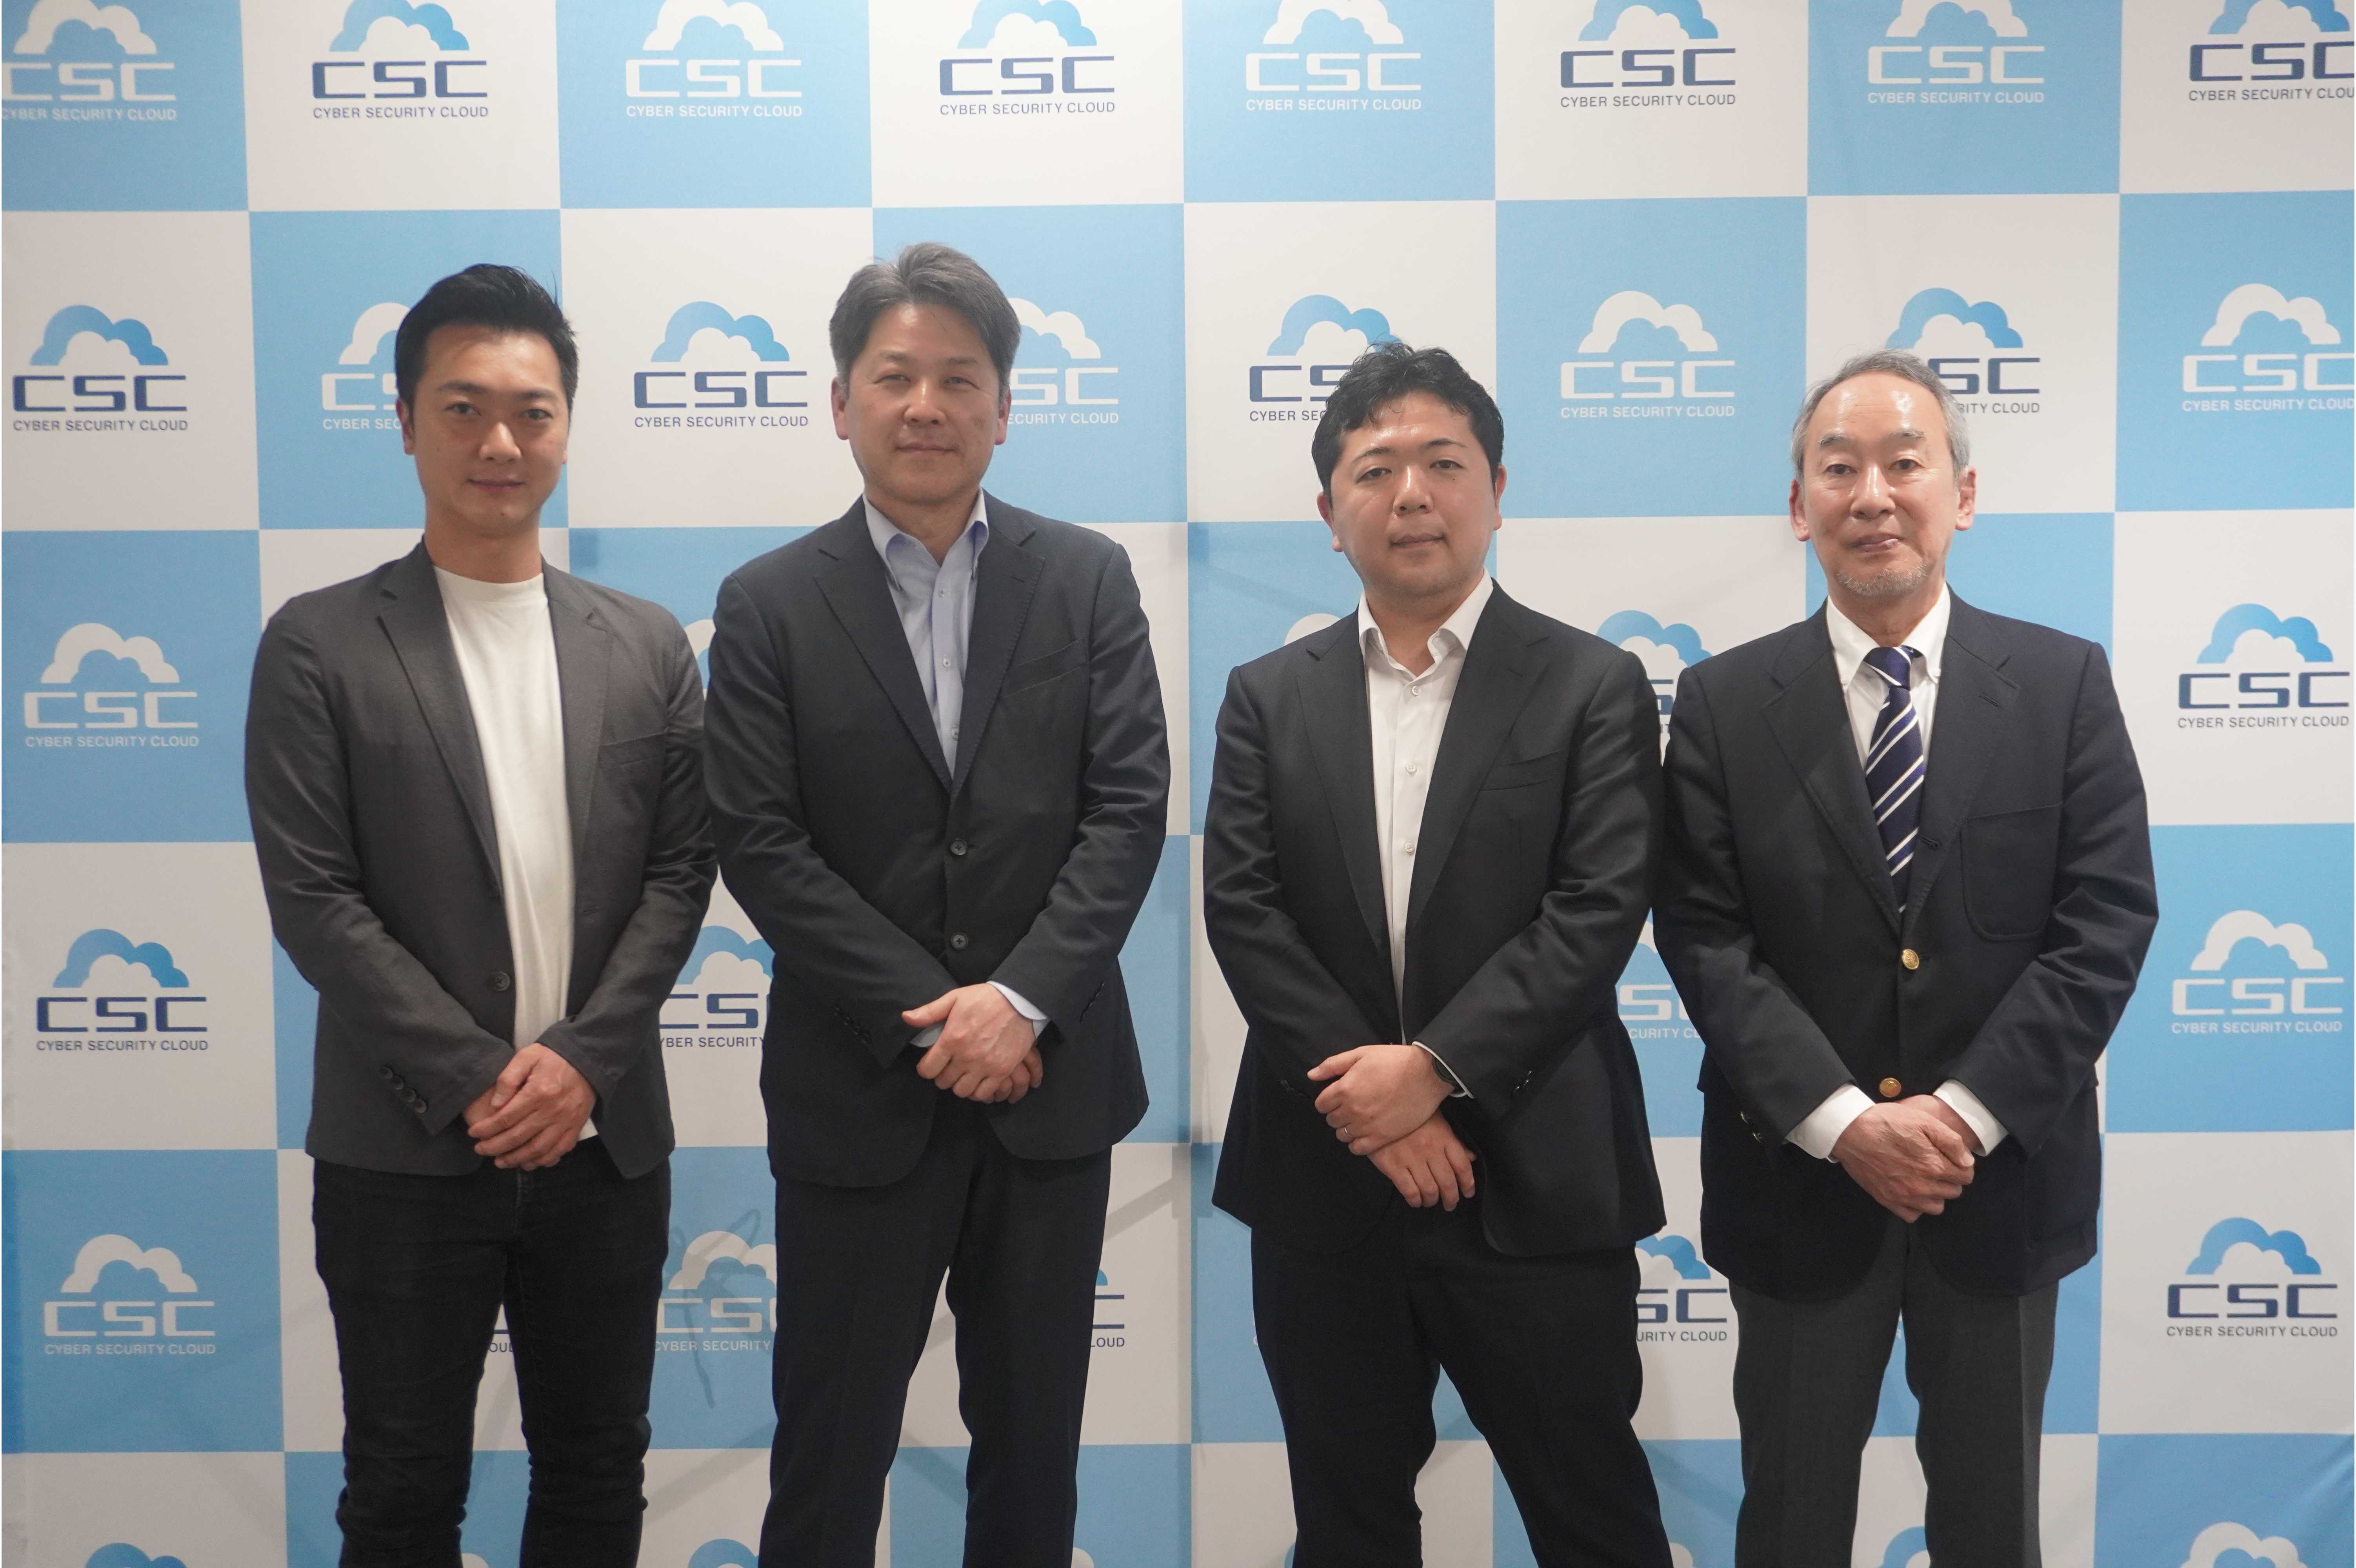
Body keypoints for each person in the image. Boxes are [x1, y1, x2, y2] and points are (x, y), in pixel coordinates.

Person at [702, 242, 1170, 1567]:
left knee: (1032, 1462)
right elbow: (763, 842)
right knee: (829, 1458)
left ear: (1003, 408)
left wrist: (1018, 1003)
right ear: (839, 402)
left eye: (960, 379)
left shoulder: (1086, 579)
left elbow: (1127, 810)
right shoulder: (769, 604)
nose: (926, 406)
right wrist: (936, 1015)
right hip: (859, 1096)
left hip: (1048, 1088)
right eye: (895, 376)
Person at [1654, 348, 2158, 1566]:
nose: (1872, 495)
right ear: (1800, 507)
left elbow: (2105, 923)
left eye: (1903, 463)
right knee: (1789, 1527)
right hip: (1798, 1187)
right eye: (1839, 470)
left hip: (1999, 1190)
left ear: (1963, 494)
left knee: (1992, 1531)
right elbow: (1706, 937)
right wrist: (1845, 1124)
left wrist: (1961, 1118)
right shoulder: (1722, 704)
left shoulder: (2062, 685)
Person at [245, 263, 716, 1566]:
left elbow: (683, 872)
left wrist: (579, 1063)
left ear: (566, 427)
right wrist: (477, 1077)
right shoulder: (320, 644)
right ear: (406, 422)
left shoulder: (647, 645)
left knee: (596, 1476)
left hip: (603, 1144)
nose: (500, 442)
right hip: (403, 1151)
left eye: (531, 411)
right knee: (401, 1493)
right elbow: (316, 898)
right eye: (463, 408)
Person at [1203, 342, 1674, 1566]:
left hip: (1537, 1180)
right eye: (1375, 470)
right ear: (1330, 512)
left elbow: (1596, 911)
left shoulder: (1593, 684)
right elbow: (1245, 909)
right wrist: (1375, 1106)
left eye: (1443, 463)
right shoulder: (1268, 695)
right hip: (1326, 1181)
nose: (1410, 494)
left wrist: (1433, 1072)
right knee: (1348, 1526)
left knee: (1595, 1521)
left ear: (1497, 490)